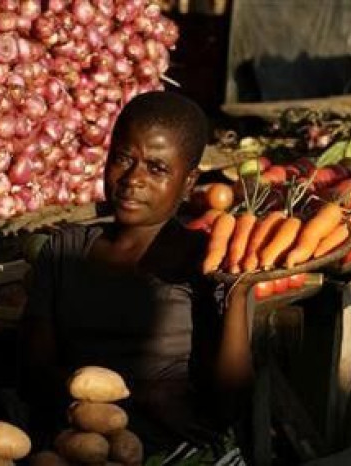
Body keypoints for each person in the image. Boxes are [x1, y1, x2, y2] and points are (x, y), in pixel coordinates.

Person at [18, 91, 253, 462]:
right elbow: (33, 370)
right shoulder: (65, 250)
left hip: (177, 450)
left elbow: (228, 404)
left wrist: (239, 294)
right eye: (124, 158)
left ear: (189, 182)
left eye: (157, 168)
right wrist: (135, 394)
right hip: (83, 443)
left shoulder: (206, 260)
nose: (133, 179)